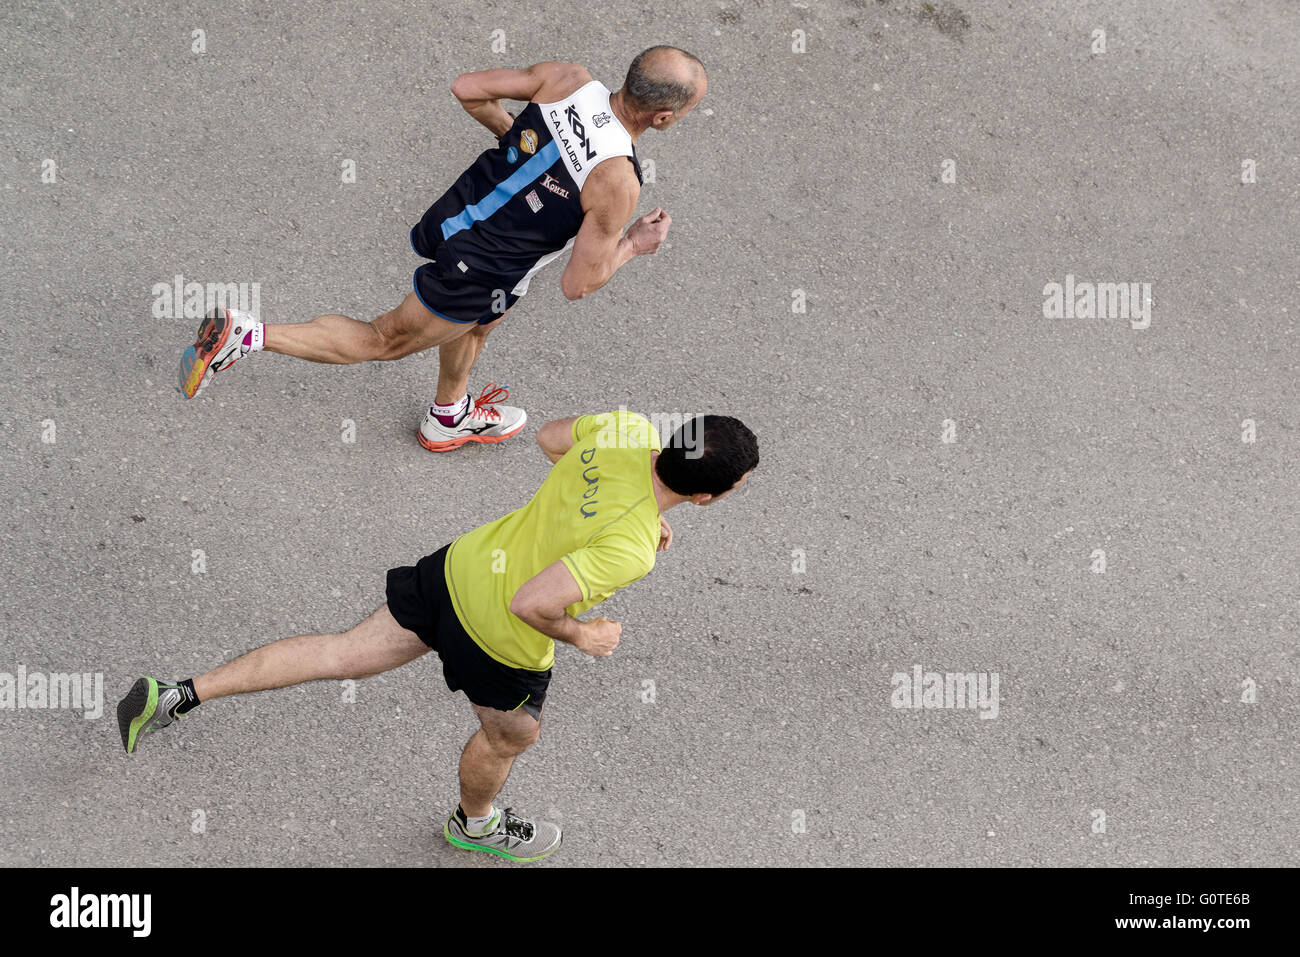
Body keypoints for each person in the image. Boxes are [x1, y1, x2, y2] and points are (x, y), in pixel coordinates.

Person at [117, 410, 758, 862]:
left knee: (343, 652)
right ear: (706, 498)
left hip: (459, 569)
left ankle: (175, 695)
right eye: (738, 487)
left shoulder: (627, 430)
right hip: (498, 637)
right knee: (513, 734)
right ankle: (475, 827)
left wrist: (618, 507)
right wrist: (584, 634)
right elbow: (533, 603)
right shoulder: (631, 547)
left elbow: (550, 439)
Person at [179, 47, 707, 454]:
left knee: (479, 324)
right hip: (481, 265)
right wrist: (634, 244)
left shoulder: (566, 78)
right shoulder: (617, 178)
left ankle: (448, 415)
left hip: (455, 217)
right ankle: (245, 336)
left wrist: (523, 142)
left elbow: (468, 88)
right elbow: (579, 283)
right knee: (385, 338)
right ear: (663, 117)